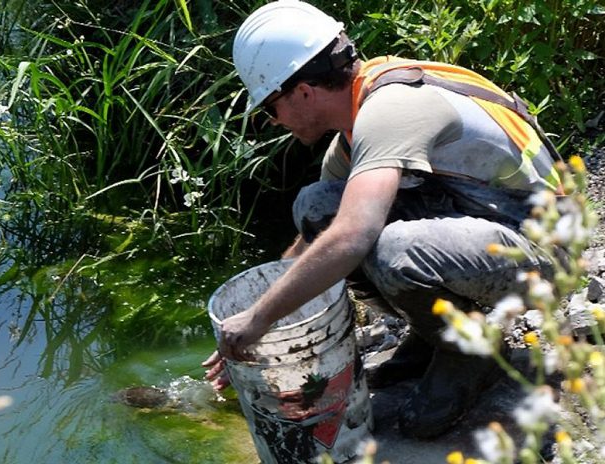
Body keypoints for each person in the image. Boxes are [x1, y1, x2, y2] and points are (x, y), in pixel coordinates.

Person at [203, 0, 562, 438]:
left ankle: (468, 351)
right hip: (482, 227)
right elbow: (321, 235)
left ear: (302, 92)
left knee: (393, 250)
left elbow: (352, 236)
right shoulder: (356, 130)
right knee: (316, 207)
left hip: (546, 249)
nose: (274, 121)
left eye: (269, 108)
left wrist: (258, 319)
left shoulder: (391, 108)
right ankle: (435, 334)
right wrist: (260, 321)